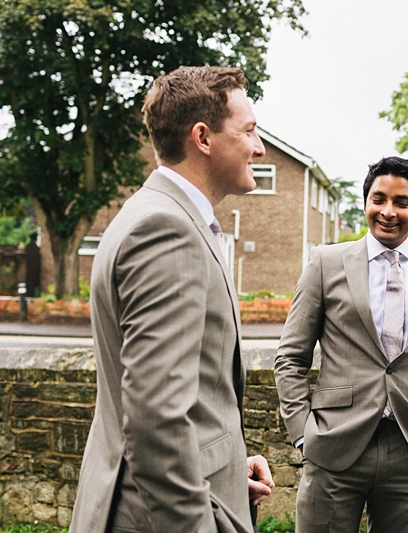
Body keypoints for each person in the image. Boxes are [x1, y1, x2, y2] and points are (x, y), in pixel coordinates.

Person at [70, 66, 275, 533]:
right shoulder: (166, 230)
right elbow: (156, 420)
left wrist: (227, 464)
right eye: (249, 131)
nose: (260, 148)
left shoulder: (156, 213)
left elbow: (189, 395)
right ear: (202, 137)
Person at [274, 156, 408, 533]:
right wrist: (303, 434)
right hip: (334, 444)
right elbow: (290, 357)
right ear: (365, 202)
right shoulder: (325, 263)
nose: (388, 211)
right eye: (378, 199)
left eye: (401, 202)